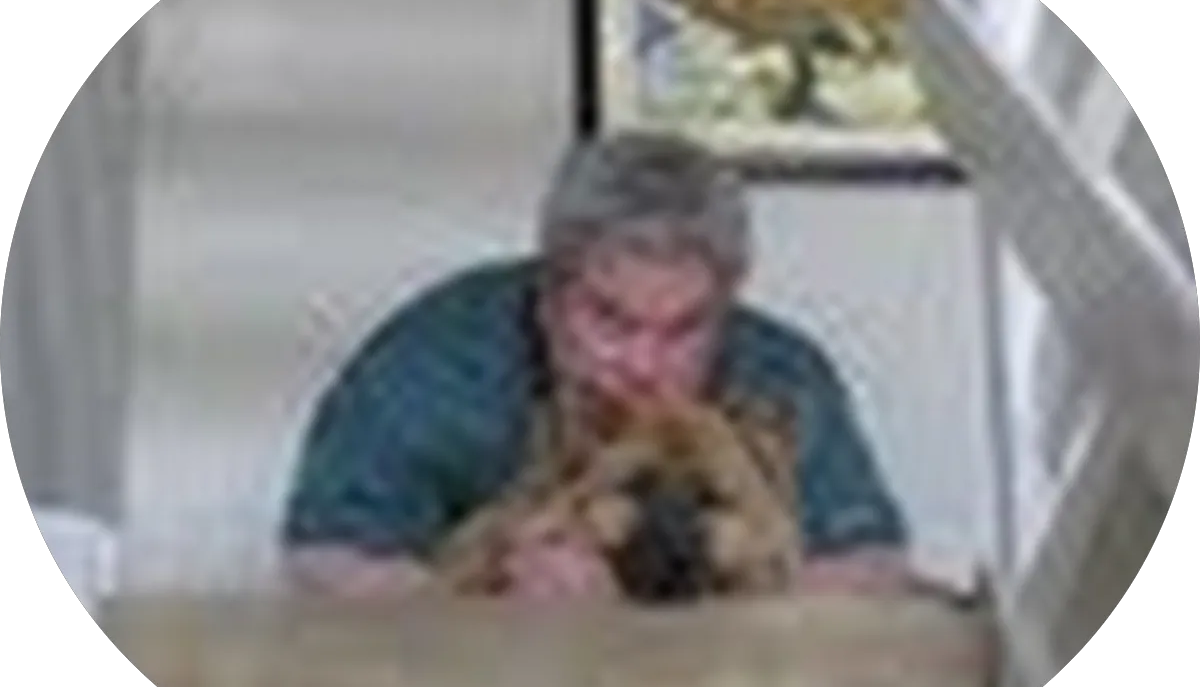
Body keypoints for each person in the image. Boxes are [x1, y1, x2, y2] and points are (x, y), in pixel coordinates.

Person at [280, 132, 912, 601]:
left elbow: (872, 563)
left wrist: (734, 599)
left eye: (684, 330)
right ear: (550, 293)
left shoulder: (783, 374)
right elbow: (325, 559)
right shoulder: (434, 358)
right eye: (611, 321)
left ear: (728, 300)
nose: (643, 364)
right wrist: (489, 599)